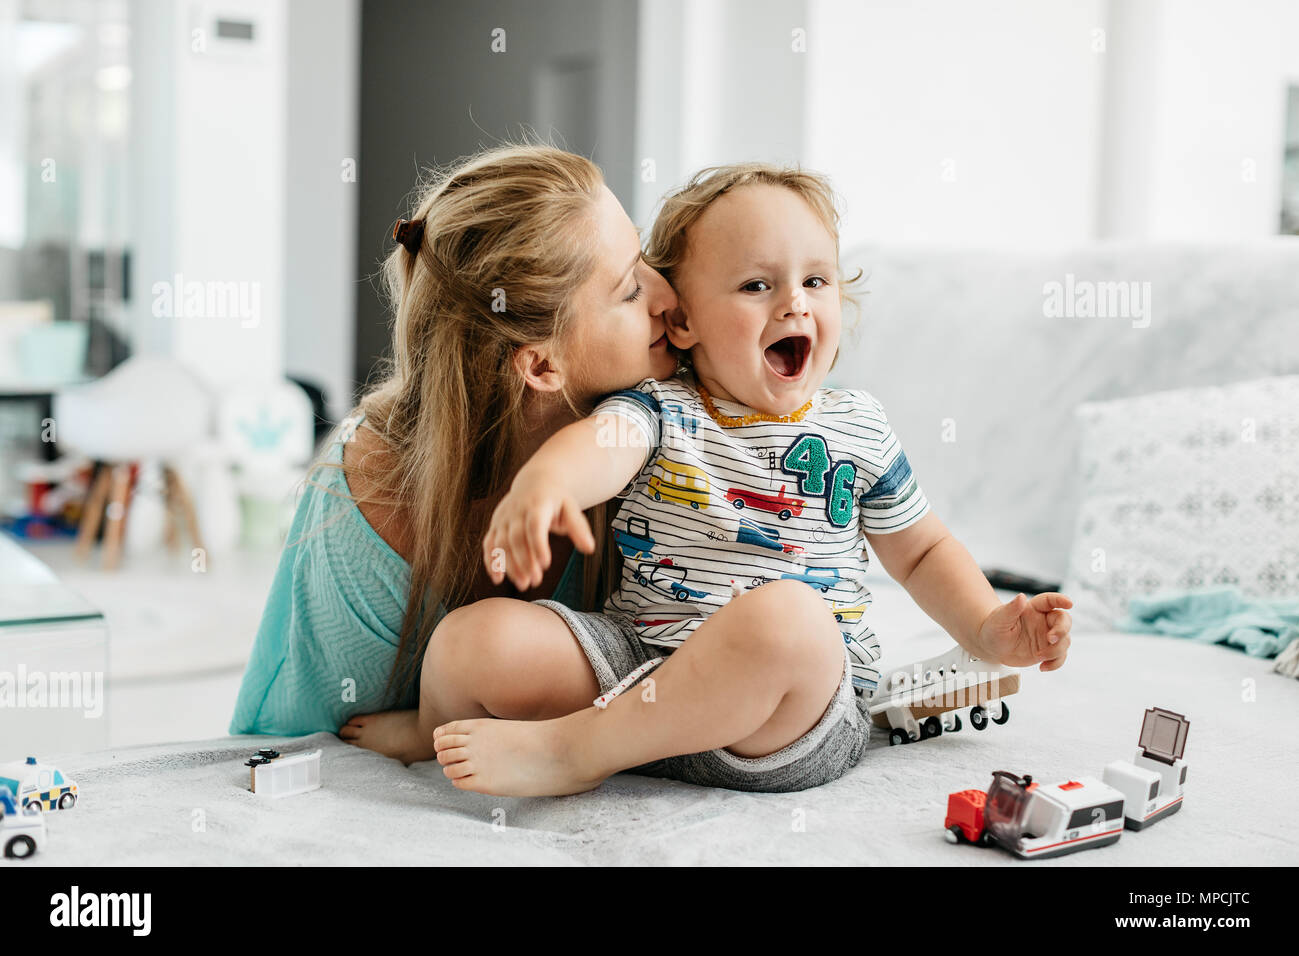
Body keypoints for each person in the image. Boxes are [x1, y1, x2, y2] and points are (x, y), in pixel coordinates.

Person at [427, 162, 1075, 795]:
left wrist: (987, 627)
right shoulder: (661, 406)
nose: (794, 301)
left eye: (816, 280)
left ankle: (573, 752)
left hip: (786, 717)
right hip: (638, 671)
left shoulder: (859, 428)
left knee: (792, 621)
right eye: (756, 286)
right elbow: (601, 446)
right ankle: (433, 732)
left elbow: (926, 550)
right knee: (474, 638)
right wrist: (547, 485)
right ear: (683, 320)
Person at [229, 144, 679, 757]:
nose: (668, 296)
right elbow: (304, 744)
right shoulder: (368, 493)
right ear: (541, 364)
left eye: (646, 260)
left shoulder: (656, 427)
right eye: (630, 290)